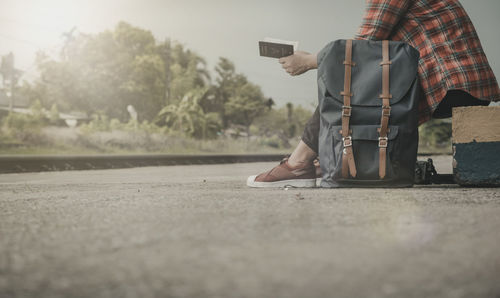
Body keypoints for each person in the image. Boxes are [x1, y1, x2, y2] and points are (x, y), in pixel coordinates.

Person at [247, 0, 500, 188]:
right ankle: (332, 158)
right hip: (457, 83)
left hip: (451, 83)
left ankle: (299, 163)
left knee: (348, 89)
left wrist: (309, 61)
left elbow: (358, 50)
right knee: (358, 87)